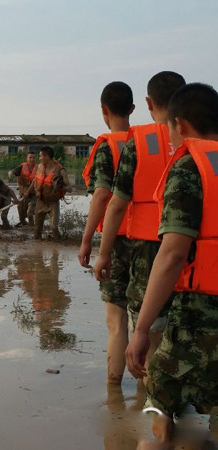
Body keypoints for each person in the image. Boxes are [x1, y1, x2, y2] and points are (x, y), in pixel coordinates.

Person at [125, 83, 218, 448]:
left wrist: (142, 328)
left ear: (179, 124)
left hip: (196, 320)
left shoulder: (190, 166)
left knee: (158, 408)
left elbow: (173, 253)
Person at [93, 71, 186, 375]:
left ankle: (144, 410)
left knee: (148, 333)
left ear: (147, 103)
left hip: (147, 248)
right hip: (195, 248)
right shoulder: (202, 144)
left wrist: (102, 252)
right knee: (183, 329)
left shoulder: (139, 143)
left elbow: (115, 204)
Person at [79, 81, 135, 385]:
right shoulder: (150, 143)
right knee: (147, 323)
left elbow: (102, 195)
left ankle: (114, 392)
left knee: (116, 323)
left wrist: (88, 241)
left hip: (117, 239)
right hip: (153, 240)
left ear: (103, 110)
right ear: (134, 109)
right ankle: (148, 397)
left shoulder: (108, 145)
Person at [29, 146, 71, 240]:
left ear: (47, 157)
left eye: (40, 156)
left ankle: (57, 250)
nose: (39, 158)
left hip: (53, 202)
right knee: (37, 229)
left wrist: (59, 186)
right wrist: (27, 194)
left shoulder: (60, 170)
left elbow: (70, 188)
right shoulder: (39, 167)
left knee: (54, 228)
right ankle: (37, 252)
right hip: (41, 201)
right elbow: (35, 181)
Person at [9, 151, 37, 226]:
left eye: (33, 158)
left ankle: (32, 227)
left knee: (30, 213)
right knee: (20, 208)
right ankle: (23, 223)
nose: (32, 159)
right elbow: (12, 171)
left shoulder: (39, 169)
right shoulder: (21, 167)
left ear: (36, 159)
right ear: (27, 159)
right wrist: (10, 175)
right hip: (23, 194)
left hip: (34, 195)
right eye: (30, 157)